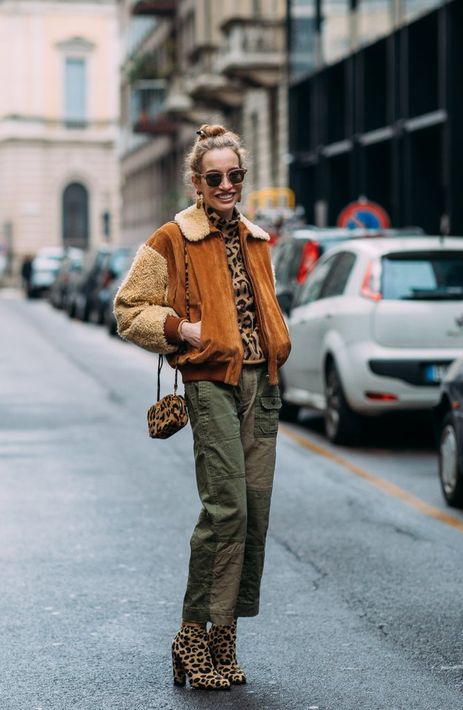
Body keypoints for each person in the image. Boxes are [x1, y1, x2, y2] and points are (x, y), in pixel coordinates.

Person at [114, 124, 291, 690]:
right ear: (196, 182)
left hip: (263, 386)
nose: (226, 185)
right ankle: (192, 635)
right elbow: (128, 307)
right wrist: (178, 328)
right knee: (226, 510)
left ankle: (223, 639)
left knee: (255, 516)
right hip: (212, 383)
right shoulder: (173, 238)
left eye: (234, 175)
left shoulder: (257, 239)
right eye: (214, 177)